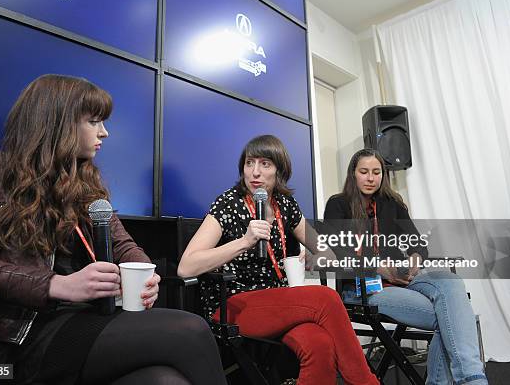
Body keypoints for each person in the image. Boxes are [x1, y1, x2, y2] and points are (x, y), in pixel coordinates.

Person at [0, 74, 227, 385]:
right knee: (190, 330)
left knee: (164, 381)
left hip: (82, 321)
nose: (104, 133)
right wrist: (55, 285)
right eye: (94, 121)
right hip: (12, 346)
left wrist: (145, 274)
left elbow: (124, 245)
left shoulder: (86, 185)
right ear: (57, 123)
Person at [177, 135, 379, 385]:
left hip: (278, 301)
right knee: (326, 298)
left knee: (319, 344)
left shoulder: (285, 204)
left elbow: (327, 252)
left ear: (279, 171)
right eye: (249, 163)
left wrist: (314, 255)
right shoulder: (228, 204)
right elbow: (186, 267)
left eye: (265, 164)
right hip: (234, 304)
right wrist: (244, 242)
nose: (255, 172)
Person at [324, 148, 487, 385]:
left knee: (451, 282)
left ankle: (471, 379)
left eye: (377, 172)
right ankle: (473, 380)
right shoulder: (338, 205)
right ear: (353, 174)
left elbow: (418, 245)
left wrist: (414, 261)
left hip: (403, 279)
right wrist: (380, 268)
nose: (371, 178)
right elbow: (340, 252)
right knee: (452, 319)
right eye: (364, 172)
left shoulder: (392, 203)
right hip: (364, 288)